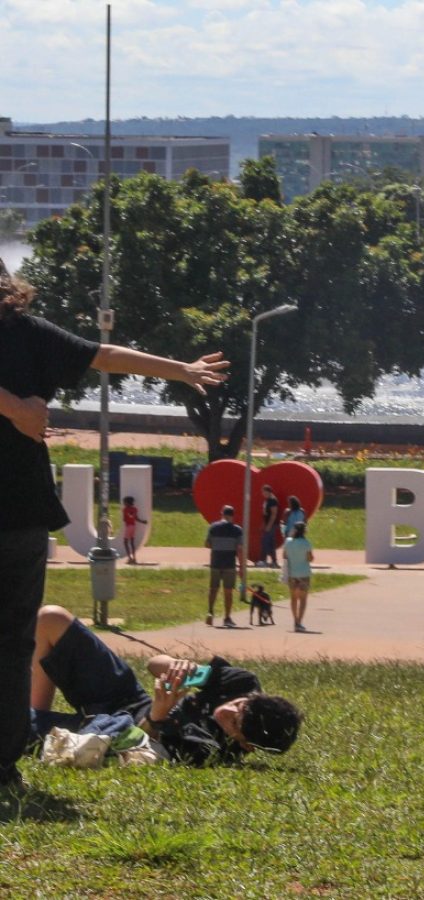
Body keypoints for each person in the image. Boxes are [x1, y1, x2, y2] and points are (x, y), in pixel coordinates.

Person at [0, 257, 229, 794]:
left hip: (19, 513)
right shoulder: (19, 327)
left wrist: (181, 370)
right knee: (10, 642)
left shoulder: (21, 331)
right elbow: (101, 355)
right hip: (18, 511)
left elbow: (100, 354)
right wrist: (13, 408)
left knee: (12, 643)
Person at [28, 605, 302, 765]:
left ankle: (29, 722)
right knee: (52, 618)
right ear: (252, 697)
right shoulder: (241, 684)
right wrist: (177, 666)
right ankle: (34, 709)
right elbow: (152, 664)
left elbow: (137, 743)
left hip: (118, 730)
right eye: (239, 706)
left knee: (11, 727)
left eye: (233, 724)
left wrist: (157, 714)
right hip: (125, 696)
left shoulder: (209, 750)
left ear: (246, 746)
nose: (226, 712)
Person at [205, 504, 243, 628]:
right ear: (232, 516)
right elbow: (239, 550)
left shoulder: (213, 527)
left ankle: (210, 612)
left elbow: (207, 544)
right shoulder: (237, 530)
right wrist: (241, 567)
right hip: (229, 563)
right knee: (228, 592)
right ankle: (227, 617)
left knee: (213, 589)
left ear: (222, 514)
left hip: (215, 562)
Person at [283, 521, 314, 633]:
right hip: (304, 573)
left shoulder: (288, 542)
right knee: (303, 599)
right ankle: (299, 622)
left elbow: (284, 556)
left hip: (292, 574)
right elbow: (310, 558)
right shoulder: (306, 543)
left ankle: (295, 620)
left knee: (293, 598)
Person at [257, 484, 280, 568]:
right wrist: (264, 524)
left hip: (271, 525)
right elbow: (265, 513)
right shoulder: (267, 500)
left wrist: (269, 525)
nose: (263, 493)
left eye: (264, 492)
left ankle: (263, 560)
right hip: (267, 524)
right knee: (270, 543)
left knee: (265, 542)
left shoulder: (273, 500)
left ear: (268, 491)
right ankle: (274, 562)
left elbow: (274, 514)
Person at [121, 495, 147, 565]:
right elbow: (136, 518)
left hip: (128, 527)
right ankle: (134, 558)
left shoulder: (125, 509)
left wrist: (127, 517)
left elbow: (124, 519)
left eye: (124, 502)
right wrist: (143, 521)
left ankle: (129, 558)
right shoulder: (135, 509)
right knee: (132, 542)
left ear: (127, 503)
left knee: (125, 542)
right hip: (133, 526)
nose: (124, 503)